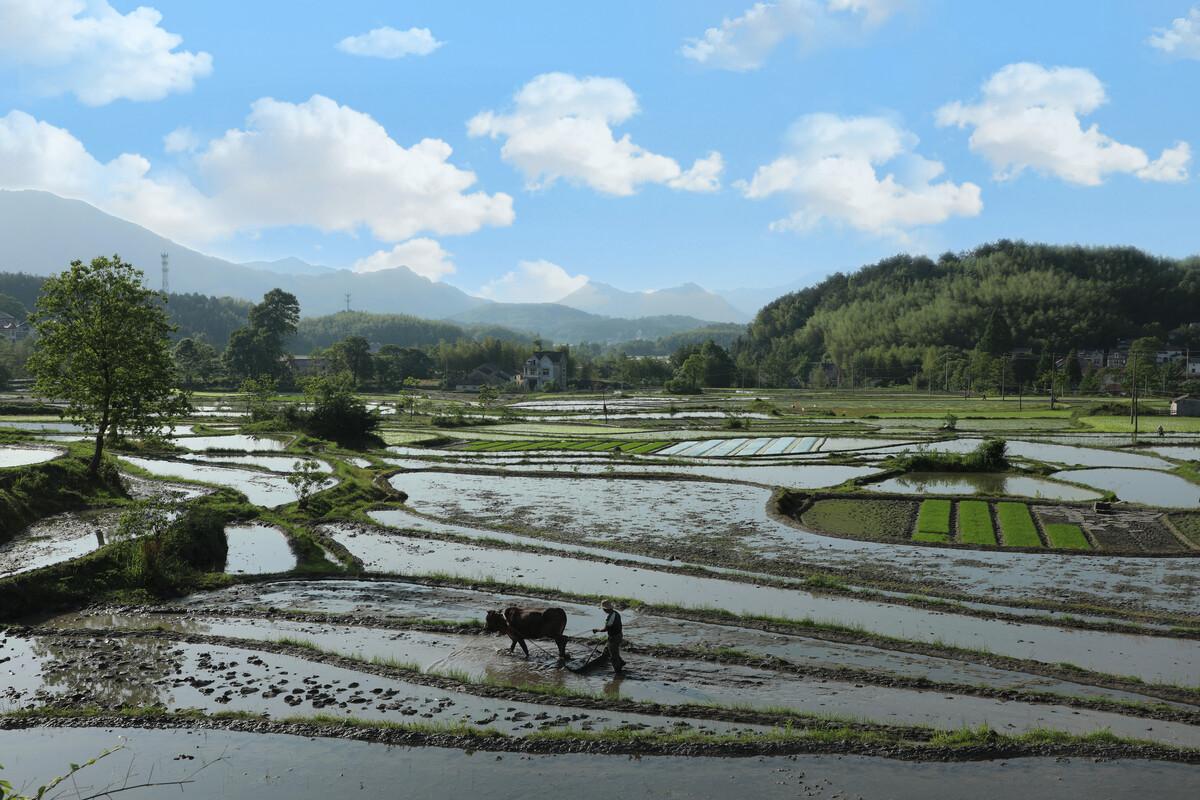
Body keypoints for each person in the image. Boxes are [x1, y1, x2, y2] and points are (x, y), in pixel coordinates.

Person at [592, 599, 625, 673]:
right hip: (617, 635)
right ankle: (621, 663)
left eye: (603, 609)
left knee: (613, 656)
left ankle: (618, 673)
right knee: (608, 651)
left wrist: (597, 630)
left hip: (614, 638)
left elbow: (606, 629)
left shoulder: (610, 617)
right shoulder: (616, 613)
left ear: (605, 609)